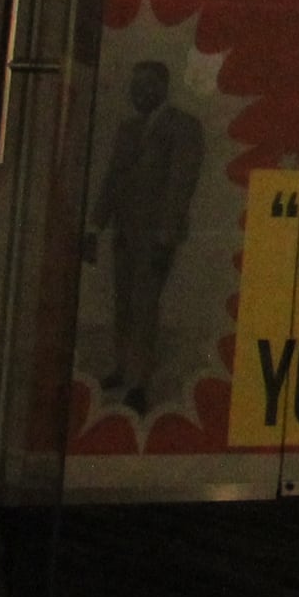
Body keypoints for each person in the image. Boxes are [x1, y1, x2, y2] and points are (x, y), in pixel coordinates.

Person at [87, 58, 204, 411]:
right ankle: (123, 369)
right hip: (124, 233)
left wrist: (165, 238)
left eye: (146, 86)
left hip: (155, 238)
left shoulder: (183, 127)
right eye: (134, 87)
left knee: (144, 306)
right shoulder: (128, 129)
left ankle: (139, 384)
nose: (138, 93)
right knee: (123, 303)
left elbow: (180, 185)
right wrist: (95, 226)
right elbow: (112, 179)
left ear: (162, 87)